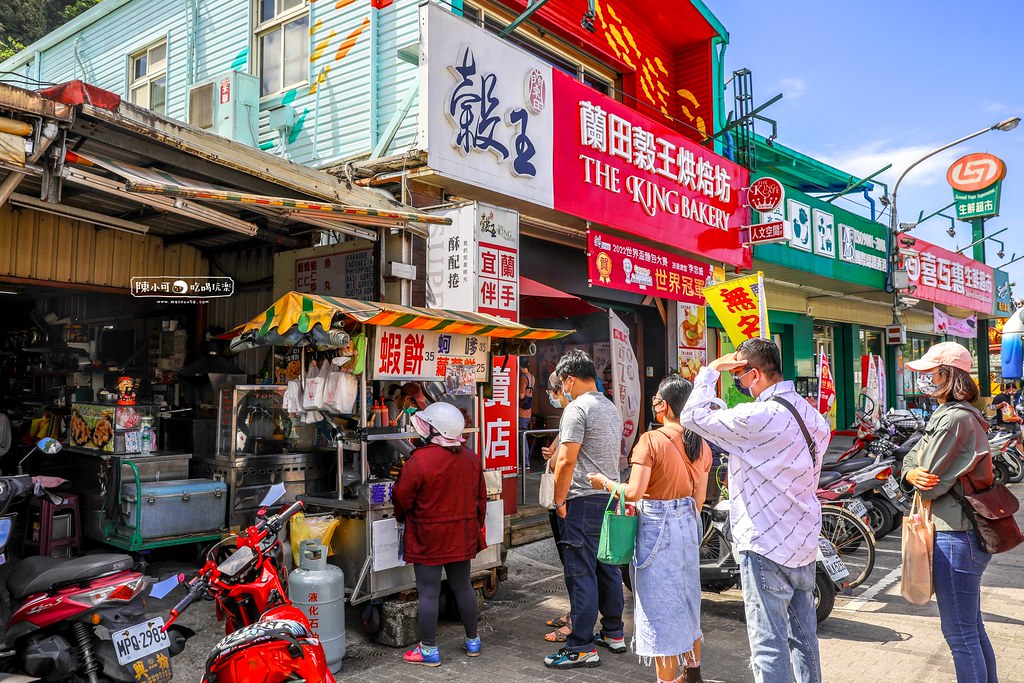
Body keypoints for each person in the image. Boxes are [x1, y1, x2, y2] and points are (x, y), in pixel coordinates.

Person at [679, 338, 830, 683]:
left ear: (755, 374)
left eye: (739, 375)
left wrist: (711, 370)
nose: (738, 381)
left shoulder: (758, 416)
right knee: (803, 638)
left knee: (768, 643)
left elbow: (692, 416)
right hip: (803, 536)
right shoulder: (812, 415)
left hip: (765, 541)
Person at [587, 375, 712, 683]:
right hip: (688, 525)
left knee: (660, 611)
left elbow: (633, 493)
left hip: (658, 527)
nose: (654, 403)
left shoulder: (651, 441)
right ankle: (692, 672)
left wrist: (605, 483)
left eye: (656, 398)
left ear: (664, 406)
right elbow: (698, 501)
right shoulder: (701, 444)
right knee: (688, 602)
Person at [901, 342, 997, 683]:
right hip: (962, 535)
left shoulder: (953, 418)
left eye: (931, 372)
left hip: (955, 536)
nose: (926, 379)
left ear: (949, 375)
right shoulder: (953, 414)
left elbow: (928, 484)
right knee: (971, 629)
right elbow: (912, 460)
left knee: (960, 636)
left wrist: (914, 472)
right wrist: (910, 471)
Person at [545, 350, 625, 669]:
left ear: (569, 380)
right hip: (609, 497)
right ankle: (614, 632)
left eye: (562, 383)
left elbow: (566, 460)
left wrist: (559, 500)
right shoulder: (609, 407)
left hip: (582, 499)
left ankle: (580, 645)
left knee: (581, 573)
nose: (562, 389)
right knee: (607, 568)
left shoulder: (576, 408)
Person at [393, 402, 487, 667]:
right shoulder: (471, 458)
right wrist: (473, 526)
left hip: (428, 536)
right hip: (461, 534)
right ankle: (473, 641)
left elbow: (402, 498)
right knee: (463, 586)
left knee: (428, 592)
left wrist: (401, 517)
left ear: (435, 429)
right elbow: (481, 499)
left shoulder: (419, 460)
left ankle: (429, 650)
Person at [520, 364, 536, 469]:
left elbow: (521, 395)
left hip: (521, 412)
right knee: (523, 436)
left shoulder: (523, 377)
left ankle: (525, 462)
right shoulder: (532, 377)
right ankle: (525, 461)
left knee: (522, 438)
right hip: (528, 412)